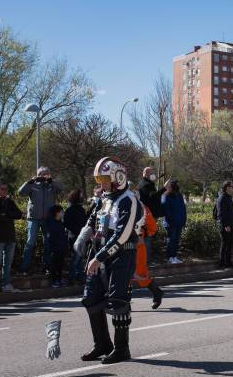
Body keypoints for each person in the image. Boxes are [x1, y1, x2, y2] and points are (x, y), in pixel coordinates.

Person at [76, 156, 143, 364]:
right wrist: (83, 236)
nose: (102, 184)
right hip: (99, 254)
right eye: (100, 180)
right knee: (91, 298)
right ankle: (102, 344)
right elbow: (93, 219)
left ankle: (122, 349)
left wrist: (99, 257)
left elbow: (122, 234)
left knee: (118, 300)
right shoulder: (104, 198)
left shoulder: (129, 199)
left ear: (118, 176)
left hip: (122, 255)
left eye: (105, 179)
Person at [18, 167, 64, 275]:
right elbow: (20, 193)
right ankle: (24, 268)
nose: (44, 176)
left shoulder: (51, 185)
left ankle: (47, 267)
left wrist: (51, 181)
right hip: (33, 219)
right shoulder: (32, 185)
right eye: (42, 174)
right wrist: (29, 181)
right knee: (30, 243)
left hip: (48, 219)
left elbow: (62, 187)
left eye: (46, 174)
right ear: (37, 174)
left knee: (48, 243)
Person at [133, 198, 164, 309]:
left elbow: (152, 227)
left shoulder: (142, 207)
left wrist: (142, 234)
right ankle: (124, 303)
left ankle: (157, 293)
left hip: (137, 246)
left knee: (141, 274)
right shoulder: (115, 203)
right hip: (120, 246)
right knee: (123, 274)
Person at [0, 182, 23, 293]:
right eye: (3, 189)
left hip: (10, 236)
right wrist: (7, 215)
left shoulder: (9, 201)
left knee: (8, 263)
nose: (5, 191)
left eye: (6, 188)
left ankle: (6, 284)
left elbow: (18, 214)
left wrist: (4, 214)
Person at [137, 167, 166, 264]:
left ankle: (147, 259)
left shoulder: (147, 183)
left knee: (148, 238)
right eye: (152, 173)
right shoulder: (145, 185)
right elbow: (153, 195)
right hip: (148, 215)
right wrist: (164, 188)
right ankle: (146, 261)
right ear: (145, 174)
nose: (154, 175)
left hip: (150, 214)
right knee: (147, 238)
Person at [63, 190, 87, 285]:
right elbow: (67, 224)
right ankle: (72, 277)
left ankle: (79, 277)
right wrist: (76, 231)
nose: (82, 197)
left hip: (81, 236)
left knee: (80, 258)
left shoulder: (80, 209)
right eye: (80, 196)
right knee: (76, 258)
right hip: (74, 237)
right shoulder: (70, 210)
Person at [161, 179, 187, 264]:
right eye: (176, 185)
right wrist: (171, 221)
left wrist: (184, 220)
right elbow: (166, 210)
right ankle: (170, 257)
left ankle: (174, 256)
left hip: (179, 222)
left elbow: (183, 208)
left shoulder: (179, 195)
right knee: (171, 240)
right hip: (170, 223)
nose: (178, 187)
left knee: (176, 240)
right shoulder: (166, 196)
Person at [45, 205, 68, 288]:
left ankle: (59, 279)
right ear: (56, 212)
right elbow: (50, 235)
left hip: (61, 247)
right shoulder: (50, 221)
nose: (62, 213)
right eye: (61, 211)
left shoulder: (61, 221)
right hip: (54, 247)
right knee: (54, 265)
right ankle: (54, 281)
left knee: (61, 264)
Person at [216, 181, 233, 268]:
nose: (232, 189)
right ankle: (222, 263)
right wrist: (226, 225)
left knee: (229, 244)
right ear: (227, 188)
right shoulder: (222, 198)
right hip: (225, 225)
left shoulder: (228, 197)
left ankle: (228, 262)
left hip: (230, 224)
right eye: (231, 187)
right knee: (225, 244)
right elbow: (221, 213)